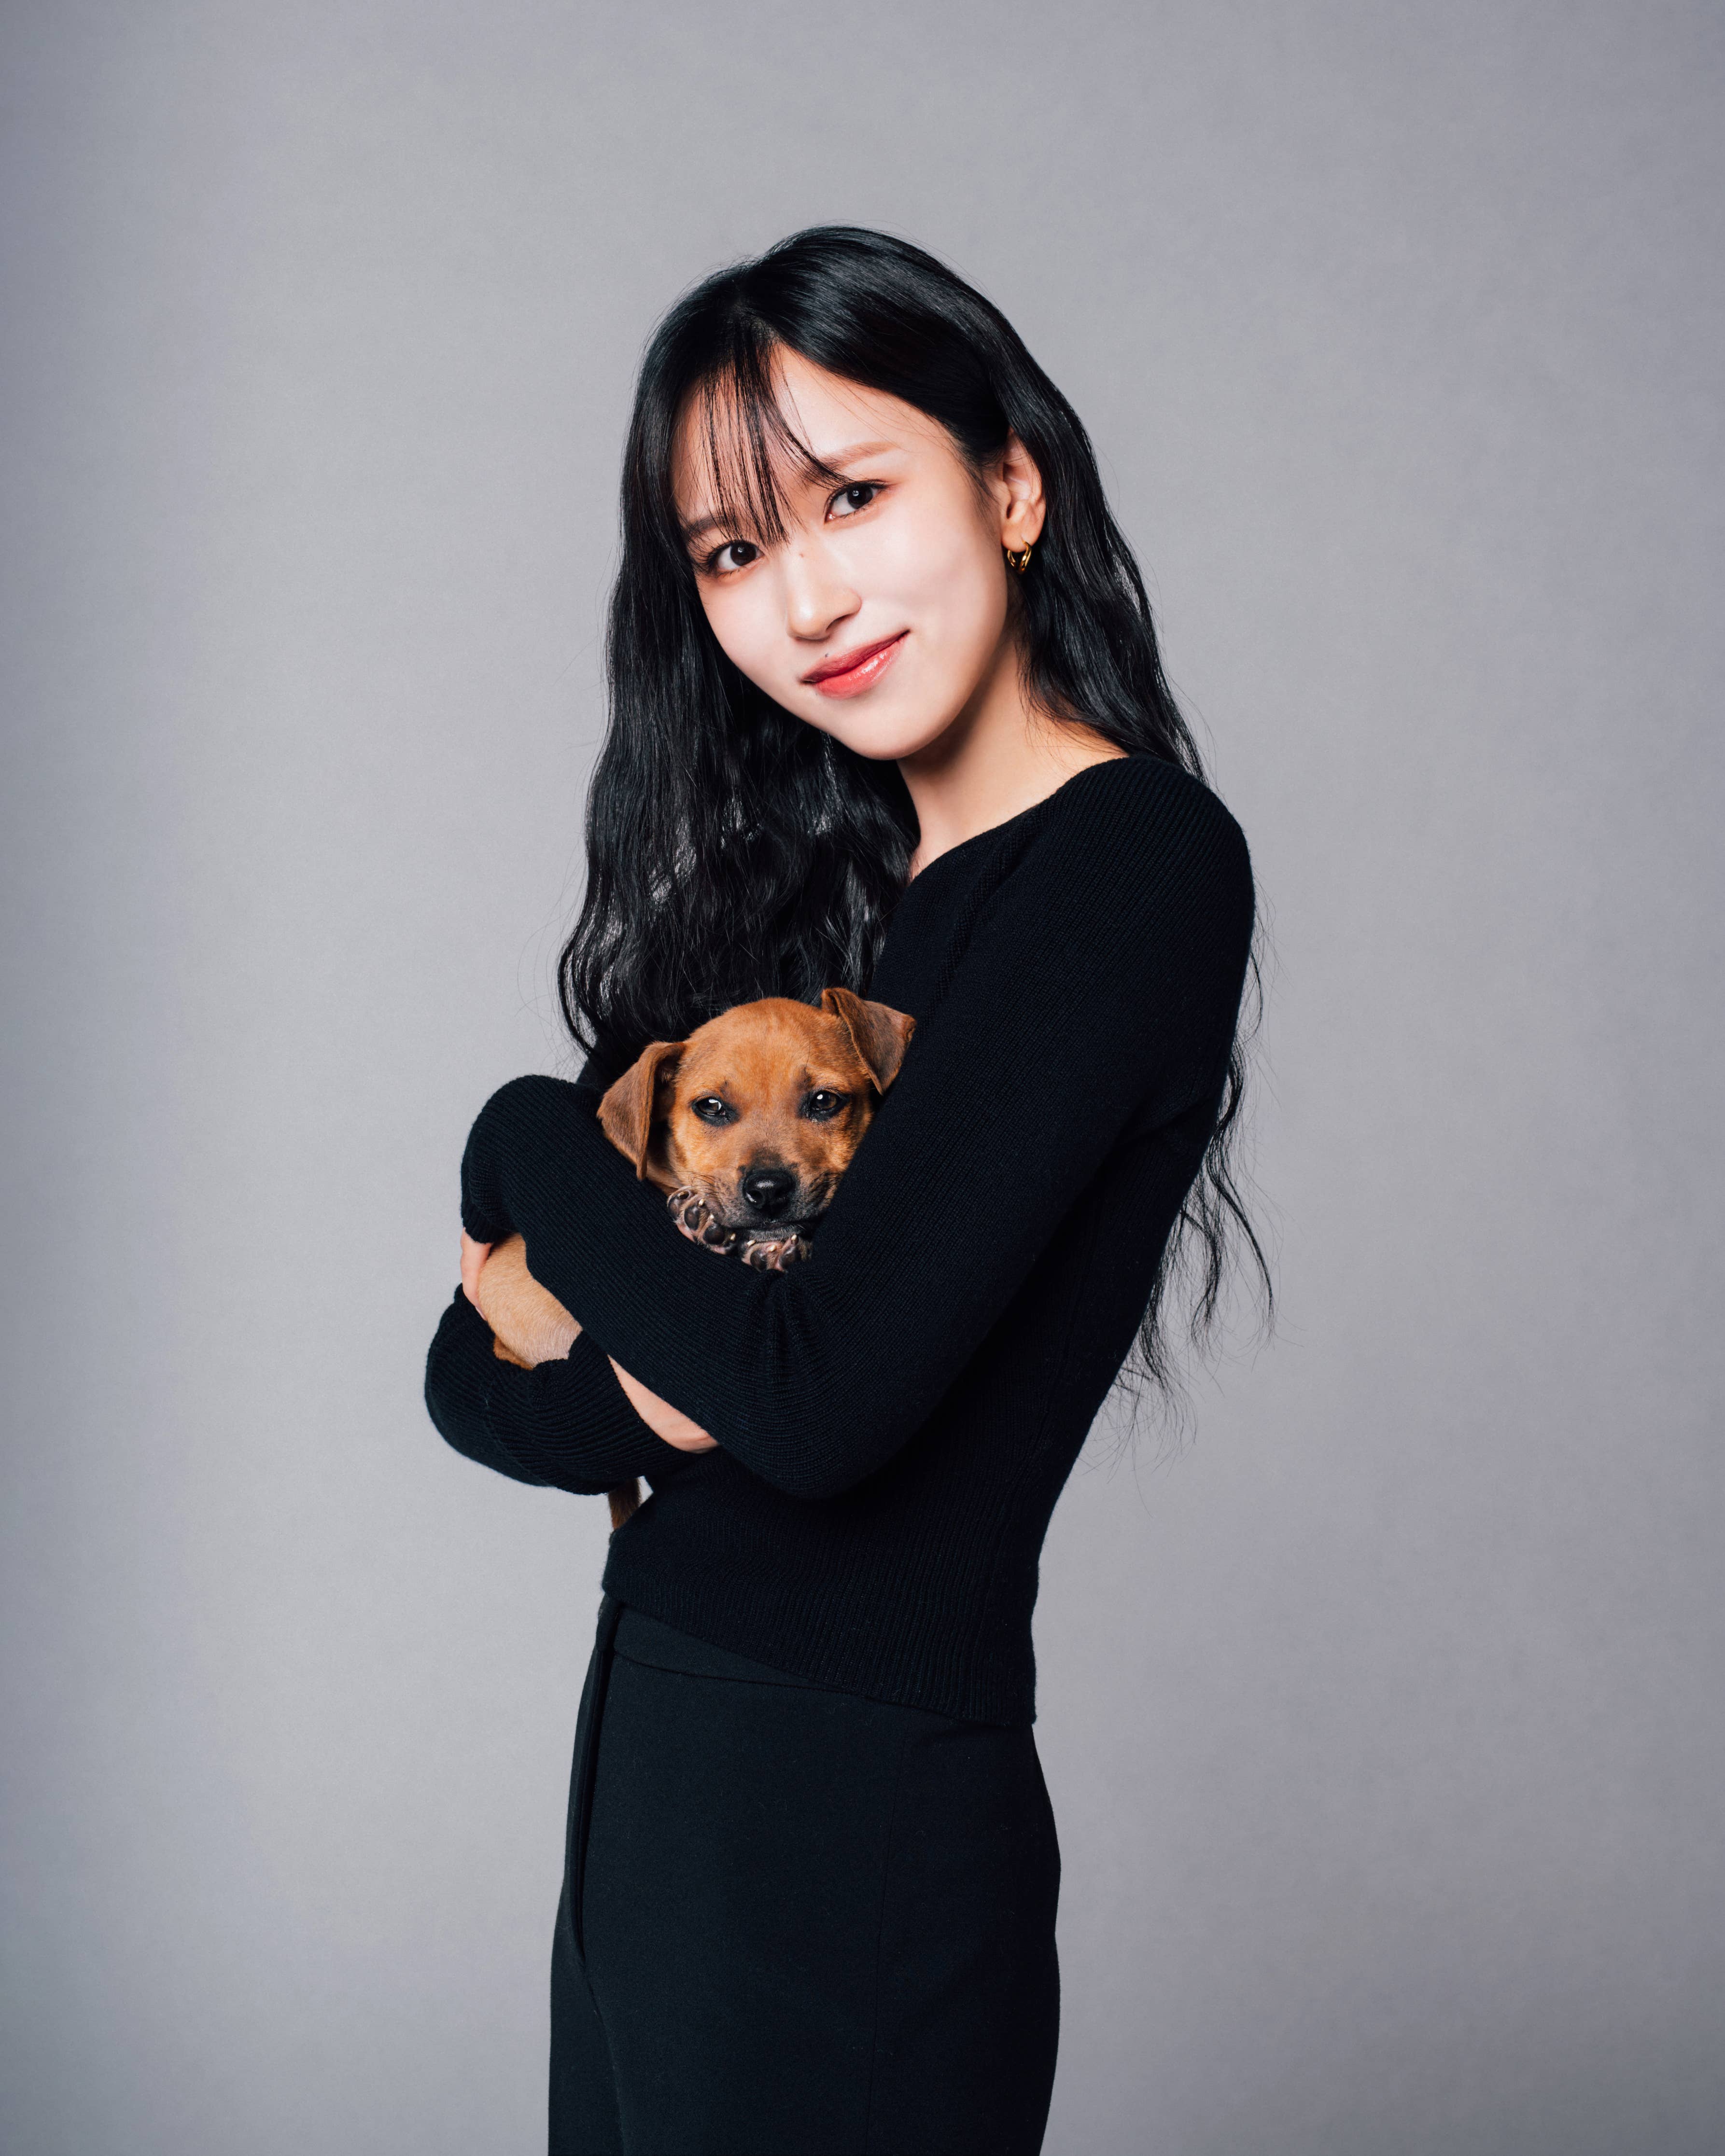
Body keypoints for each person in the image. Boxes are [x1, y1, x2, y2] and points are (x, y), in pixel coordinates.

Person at [424, 225, 1267, 2156]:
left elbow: (807, 1401)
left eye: (852, 498)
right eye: (732, 552)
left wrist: (526, 1133)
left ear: (1014, 482)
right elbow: (476, 1389)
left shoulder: (1129, 866)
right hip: (658, 1770)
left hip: (848, 1823)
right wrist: (650, 1375)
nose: (804, 596)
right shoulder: (826, 931)